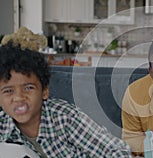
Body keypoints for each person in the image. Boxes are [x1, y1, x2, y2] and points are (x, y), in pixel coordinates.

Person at [0, 44, 132, 157]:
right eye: (8, 91)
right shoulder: (3, 125)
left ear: (45, 91)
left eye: (28, 88)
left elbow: (116, 151)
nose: (18, 98)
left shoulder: (65, 118)